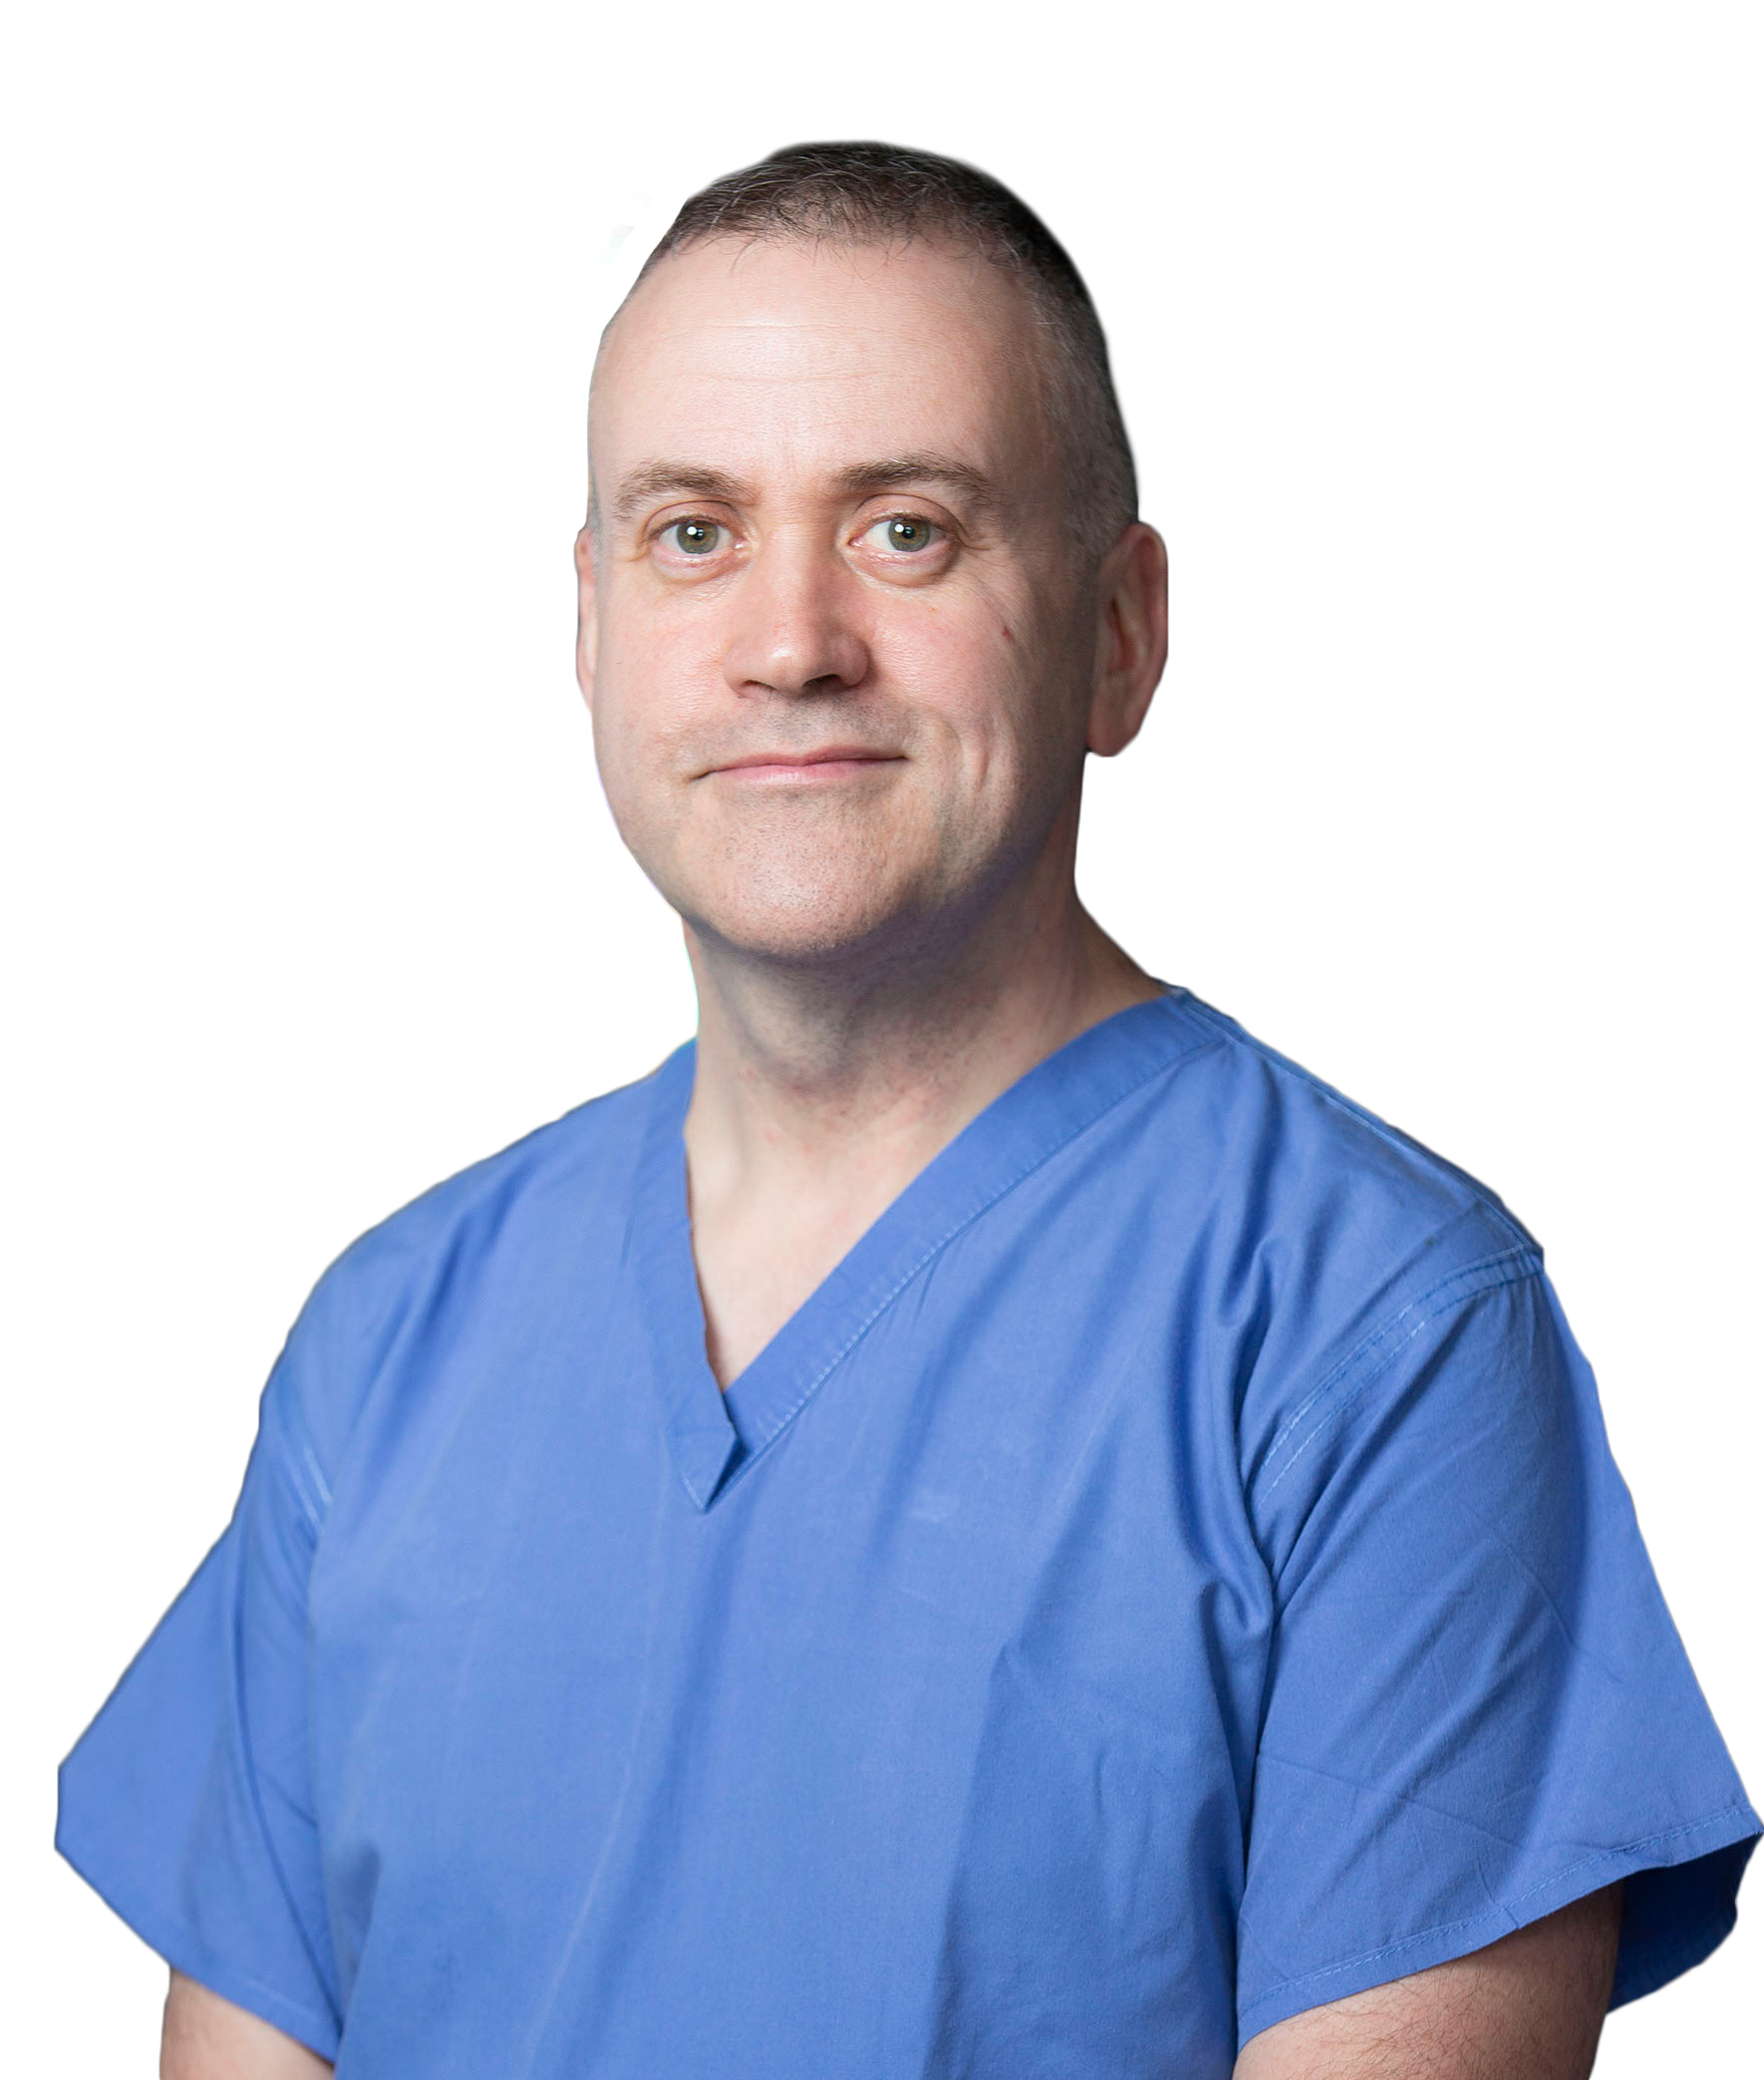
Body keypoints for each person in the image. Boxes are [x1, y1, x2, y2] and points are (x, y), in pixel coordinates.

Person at [58, 138, 1758, 2080]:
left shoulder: (1387, 1347)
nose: (791, 641)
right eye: (691, 533)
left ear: (1118, 633)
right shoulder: (390, 1343)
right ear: (594, 640)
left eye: (907, 530)